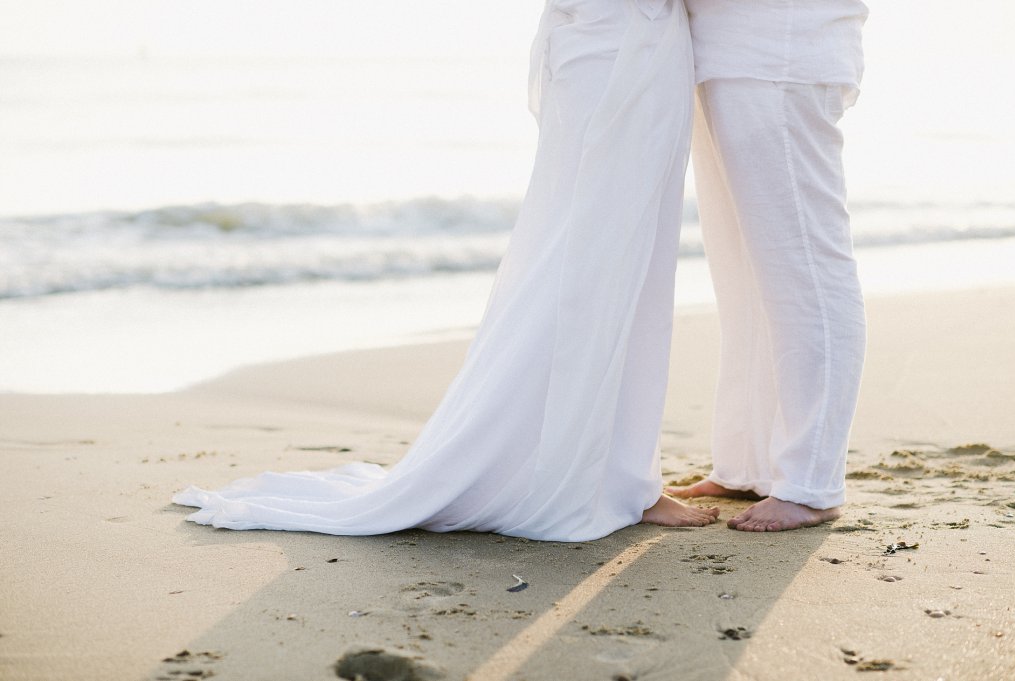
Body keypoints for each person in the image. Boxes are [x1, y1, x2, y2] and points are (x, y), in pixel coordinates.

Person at [173, 0, 720, 542]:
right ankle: (588, 476)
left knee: (626, 271)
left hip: (631, 45)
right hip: (622, 49)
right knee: (590, 266)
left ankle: (624, 477)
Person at [667, 0, 870, 531]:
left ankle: (811, 482)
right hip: (724, 53)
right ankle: (748, 463)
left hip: (781, 52)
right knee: (745, 283)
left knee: (805, 269)